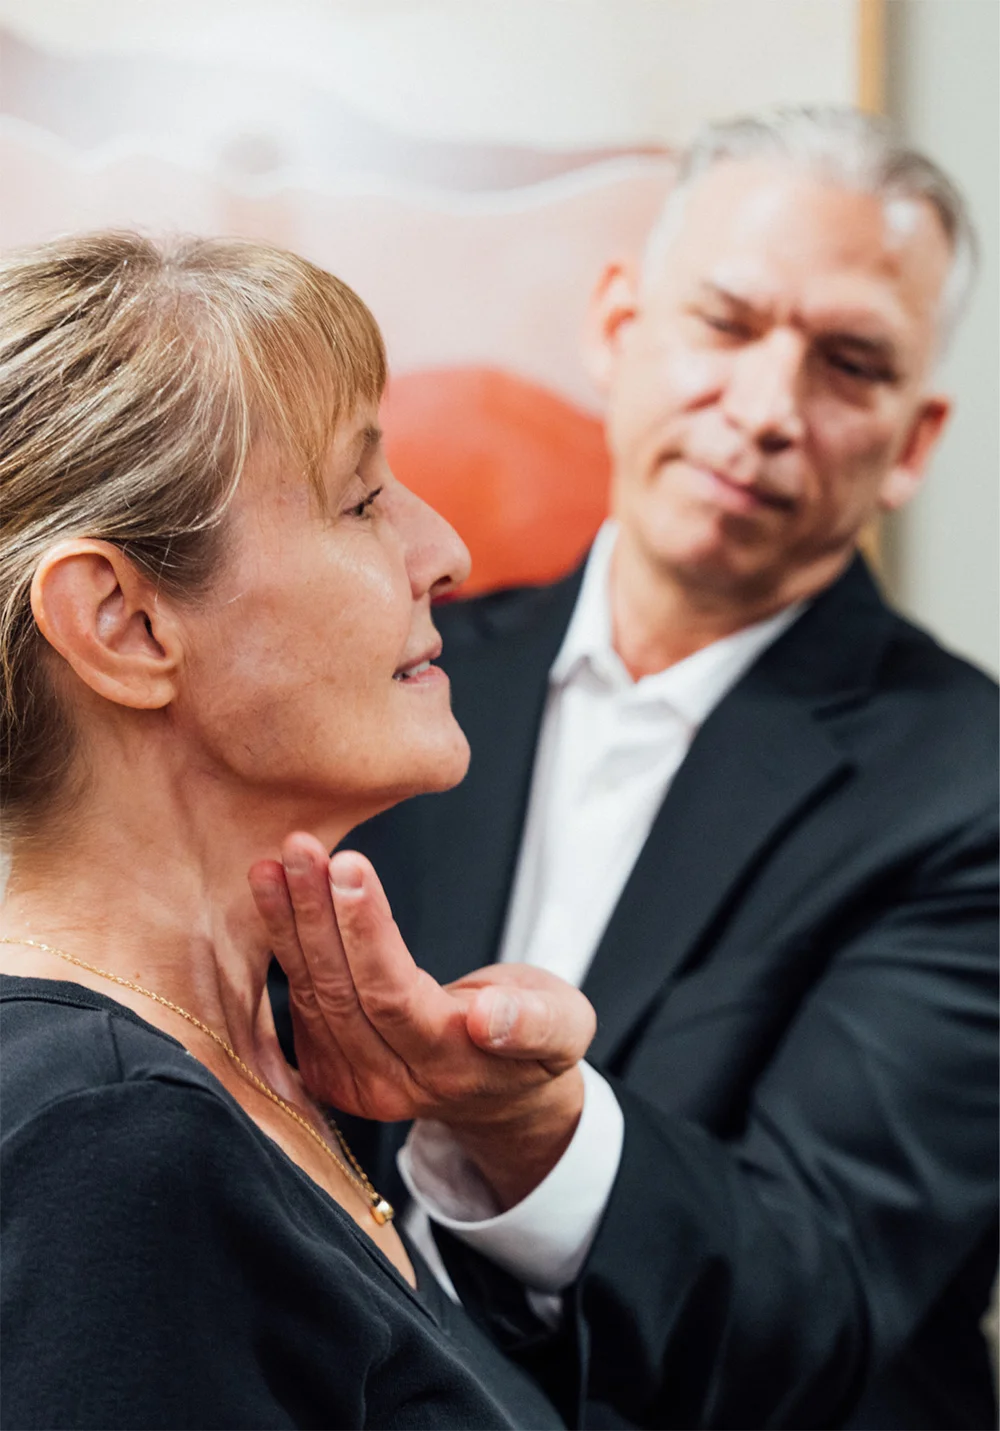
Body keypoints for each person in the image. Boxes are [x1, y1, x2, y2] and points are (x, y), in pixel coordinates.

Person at [292, 108, 998, 1429]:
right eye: (726, 323)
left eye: (849, 363)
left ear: (913, 440)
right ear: (619, 328)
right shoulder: (385, 679)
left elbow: (825, 1287)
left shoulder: (970, 784)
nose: (768, 408)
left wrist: (533, 1129)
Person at [0, 231, 601, 1430]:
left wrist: (507, 1129)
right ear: (121, 623)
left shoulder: (248, 1065)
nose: (447, 553)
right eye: (363, 499)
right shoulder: (104, 1140)